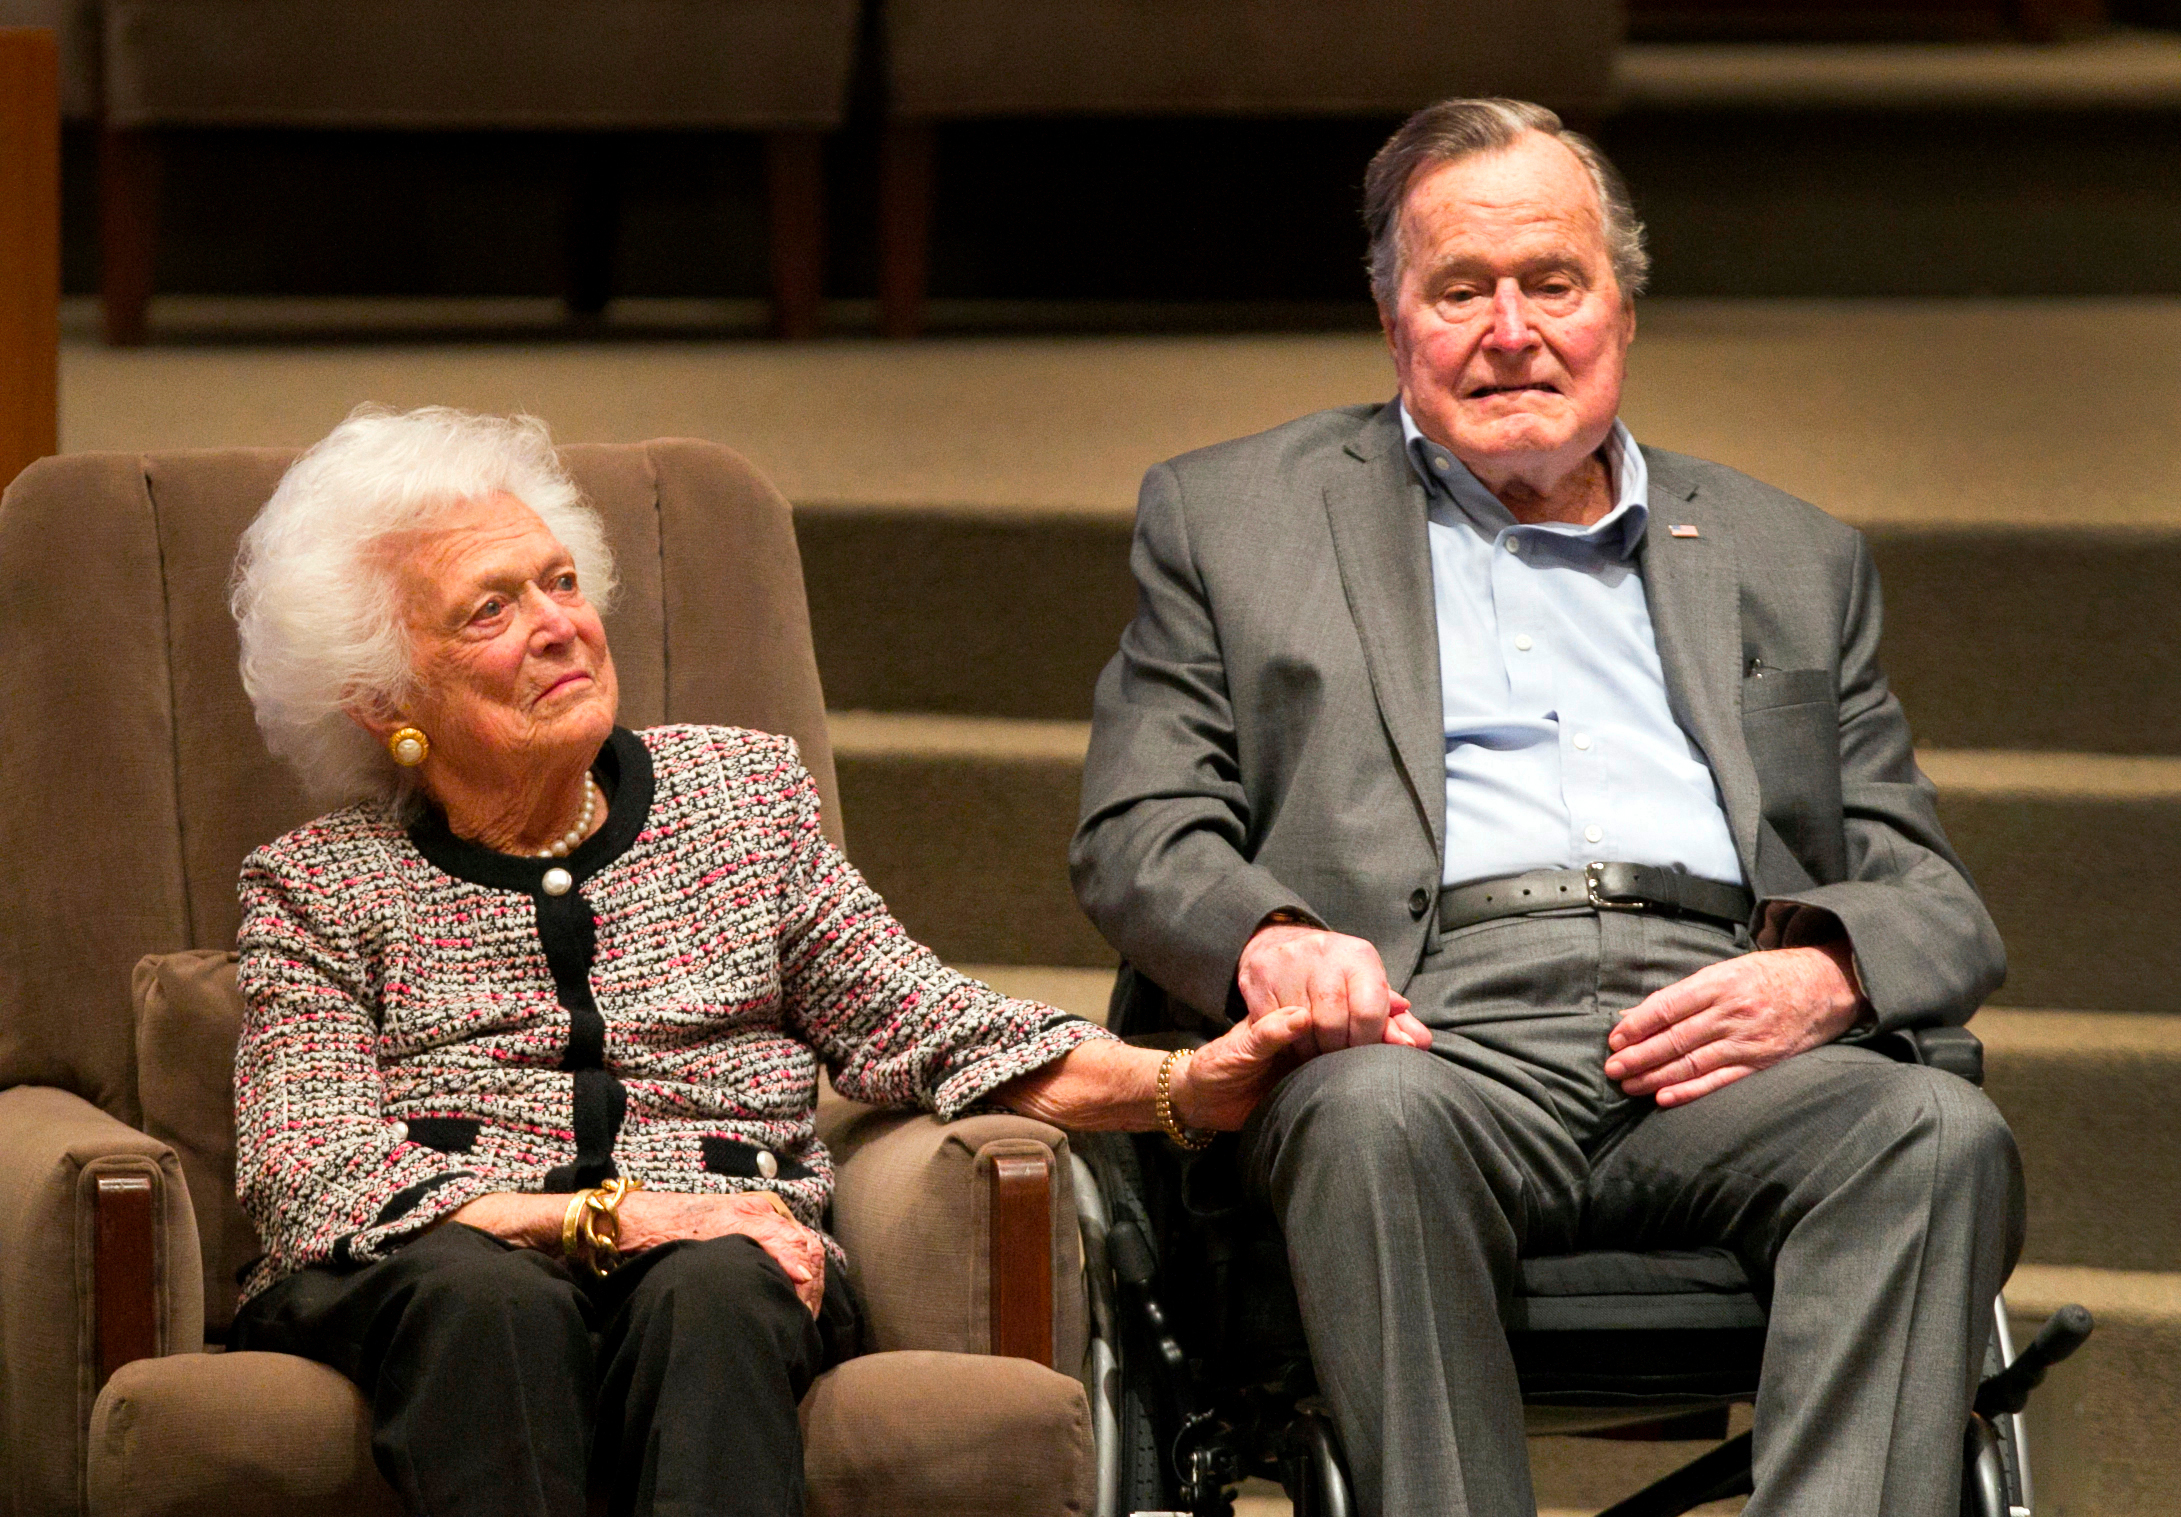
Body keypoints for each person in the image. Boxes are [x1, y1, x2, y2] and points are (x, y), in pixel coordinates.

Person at [1071, 98, 2024, 1517]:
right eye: (1461, 290)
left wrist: (1826, 972)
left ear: (1621, 310)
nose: (1509, 329)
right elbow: (1139, 825)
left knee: (1935, 1137)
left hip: (1716, 1043)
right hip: (1423, 1026)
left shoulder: (1787, 552)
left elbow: (1928, 892)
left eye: (1552, 285)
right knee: (1369, 1117)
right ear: (1395, 318)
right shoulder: (1233, 519)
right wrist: (1272, 940)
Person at [224, 405, 1312, 1517]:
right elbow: (308, 1168)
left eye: (559, 581)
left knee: (721, 1284)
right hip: (443, 1269)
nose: (557, 625)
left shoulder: (737, 800)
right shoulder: (318, 884)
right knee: (484, 1300)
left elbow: (922, 1018)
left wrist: (1181, 1086)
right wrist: (603, 1217)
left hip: (722, 1246)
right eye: (490, 609)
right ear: (385, 702)